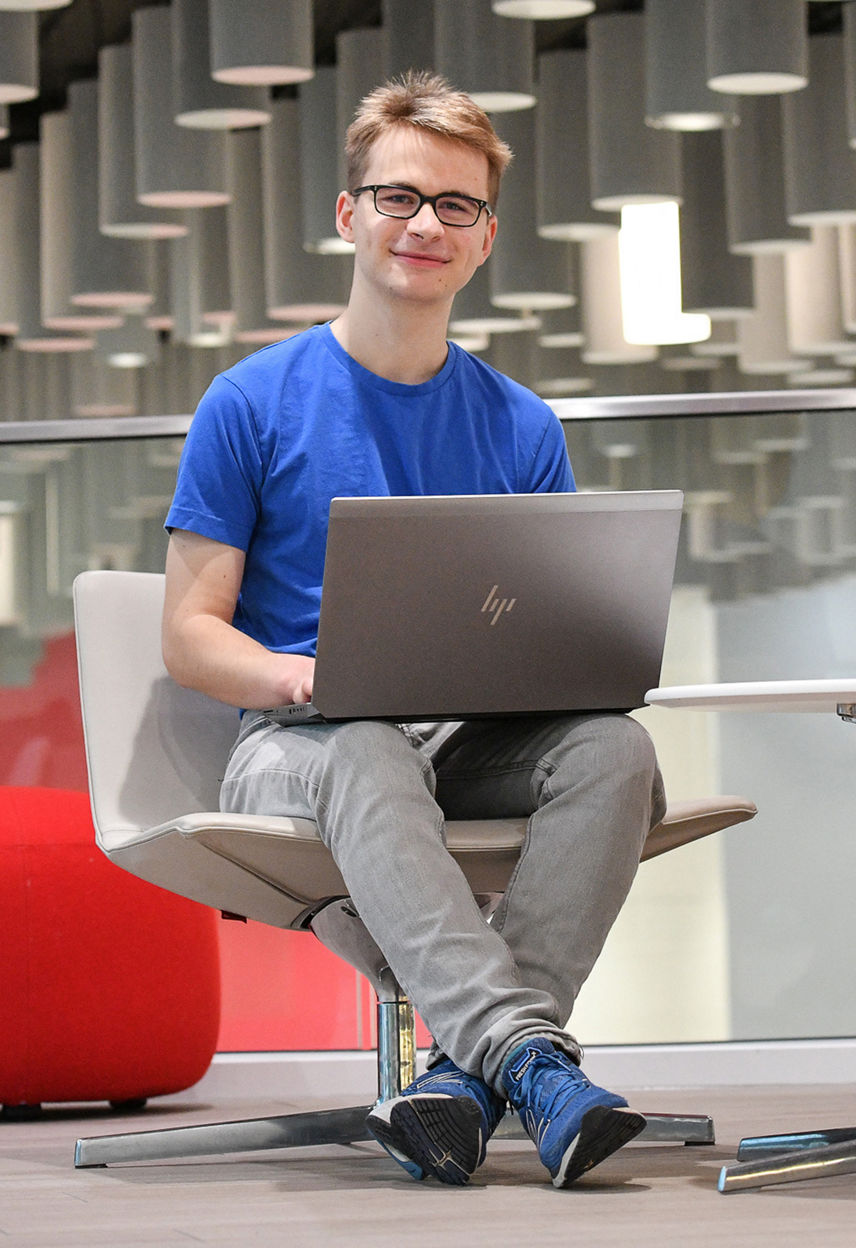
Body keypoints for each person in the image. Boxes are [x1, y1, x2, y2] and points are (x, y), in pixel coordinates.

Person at [161, 71, 666, 1189]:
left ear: (485, 238)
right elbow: (191, 635)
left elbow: (543, 629)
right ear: (349, 215)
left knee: (613, 746)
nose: (424, 224)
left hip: (462, 739)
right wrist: (301, 677)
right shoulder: (250, 400)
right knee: (368, 739)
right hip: (301, 745)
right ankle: (533, 1061)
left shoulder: (522, 427)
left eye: (455, 206)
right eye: (399, 197)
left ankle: (462, 1079)